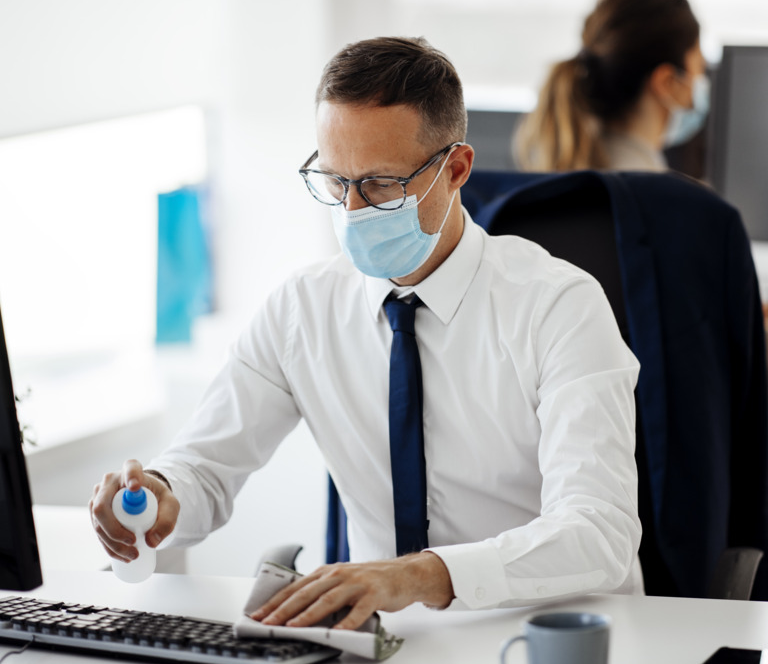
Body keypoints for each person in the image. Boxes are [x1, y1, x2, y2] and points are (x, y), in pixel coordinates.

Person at [90, 36, 642, 630]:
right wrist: (160, 495)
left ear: (455, 169)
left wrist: (416, 575)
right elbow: (204, 469)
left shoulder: (558, 305)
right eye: (335, 182)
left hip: (554, 639)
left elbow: (598, 530)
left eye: (380, 184)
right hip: (384, 646)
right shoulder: (303, 308)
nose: (352, 211)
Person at [514, 0, 708, 172]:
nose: (702, 75)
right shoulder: (663, 196)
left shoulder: (571, 179)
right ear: (667, 82)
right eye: (698, 64)